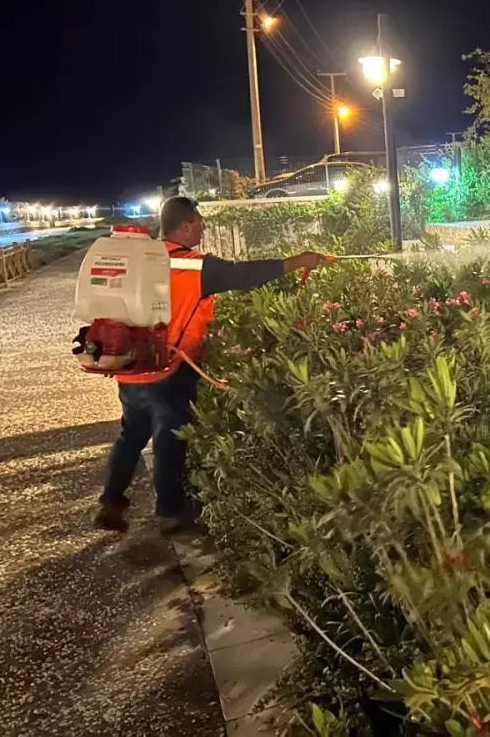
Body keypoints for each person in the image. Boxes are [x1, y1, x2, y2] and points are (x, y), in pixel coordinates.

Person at [94, 196, 326, 534]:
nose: (203, 228)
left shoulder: (144, 259)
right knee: (169, 440)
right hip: (172, 367)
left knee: (131, 434)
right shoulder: (193, 265)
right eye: (200, 222)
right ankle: (170, 513)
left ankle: (111, 502)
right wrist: (299, 261)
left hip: (132, 362)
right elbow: (246, 274)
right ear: (186, 225)